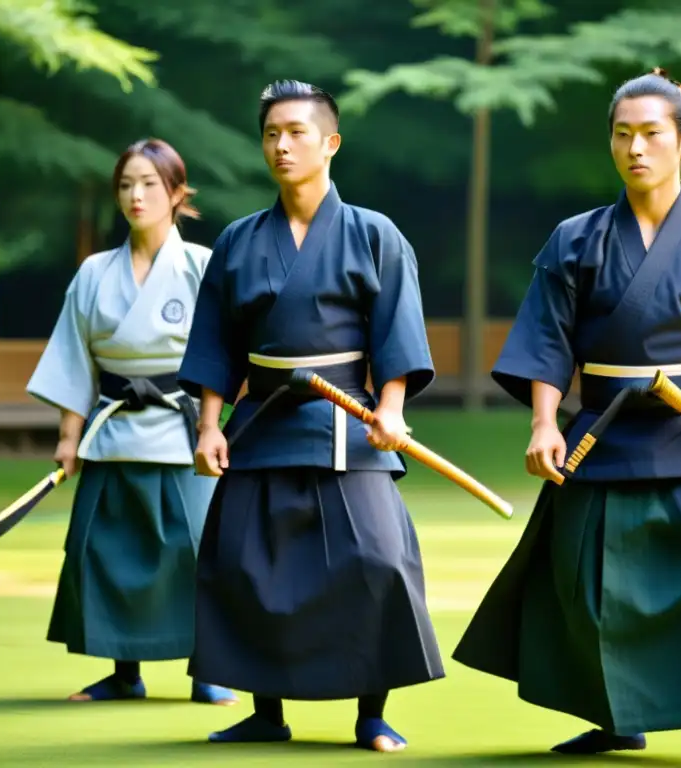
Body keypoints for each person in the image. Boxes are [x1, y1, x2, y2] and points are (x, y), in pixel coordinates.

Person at [451, 69, 681, 768]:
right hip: (603, 431)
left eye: (651, 133)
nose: (635, 148)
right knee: (589, 585)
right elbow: (547, 340)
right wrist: (544, 423)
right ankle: (617, 720)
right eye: (623, 134)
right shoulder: (575, 239)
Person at [177, 79, 443, 753]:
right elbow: (214, 343)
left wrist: (390, 408)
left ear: (330, 143)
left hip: (349, 424)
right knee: (248, 567)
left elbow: (398, 332)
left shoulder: (374, 234)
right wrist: (209, 425)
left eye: (296, 132)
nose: (282, 145)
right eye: (271, 133)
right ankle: (267, 711)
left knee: (378, 561)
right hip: (263, 422)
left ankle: (371, 714)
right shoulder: (238, 241)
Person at [26, 138, 237, 707]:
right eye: (125, 184)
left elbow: (222, 352)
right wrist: (69, 438)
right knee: (106, 552)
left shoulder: (201, 266)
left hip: (180, 429)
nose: (135, 195)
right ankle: (124, 671)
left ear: (175, 193)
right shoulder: (95, 272)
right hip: (112, 430)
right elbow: (74, 358)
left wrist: (211, 427)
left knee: (194, 553)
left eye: (148, 183)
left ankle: (209, 669)